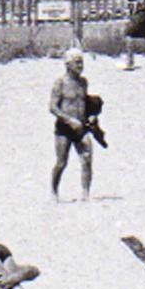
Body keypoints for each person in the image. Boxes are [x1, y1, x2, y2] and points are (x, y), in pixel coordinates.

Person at [48, 48, 95, 201]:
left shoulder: (83, 82)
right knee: (62, 162)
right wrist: (69, 120)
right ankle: (54, 191)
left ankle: (85, 193)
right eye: (77, 62)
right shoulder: (60, 83)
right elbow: (53, 107)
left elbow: (84, 102)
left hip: (81, 127)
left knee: (87, 157)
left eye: (81, 62)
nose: (80, 66)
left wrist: (92, 115)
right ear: (68, 65)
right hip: (64, 128)